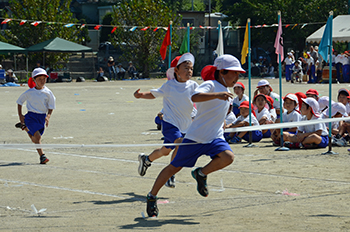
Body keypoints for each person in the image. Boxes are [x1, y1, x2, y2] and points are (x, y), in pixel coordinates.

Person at [145, 54, 244, 218]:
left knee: (228, 157)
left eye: (238, 74)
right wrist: (217, 95)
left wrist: (223, 122)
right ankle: (152, 196)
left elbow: (216, 112)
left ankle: (201, 173)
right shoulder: (210, 85)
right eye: (234, 73)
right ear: (222, 72)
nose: (237, 77)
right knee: (173, 168)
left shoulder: (226, 90)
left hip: (215, 137)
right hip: (195, 137)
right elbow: (195, 97)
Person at [134, 53, 198, 188]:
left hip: (185, 125)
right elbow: (154, 94)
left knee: (165, 151)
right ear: (176, 70)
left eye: (191, 68)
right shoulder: (169, 86)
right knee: (179, 144)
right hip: (170, 124)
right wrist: (140, 95)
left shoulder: (193, 85)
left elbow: (200, 98)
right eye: (186, 68)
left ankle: (146, 159)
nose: (189, 71)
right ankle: (171, 173)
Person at [15, 68, 56, 164]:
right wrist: (20, 115)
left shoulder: (48, 93)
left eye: (44, 79)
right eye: (39, 79)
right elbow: (19, 102)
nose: (42, 81)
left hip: (41, 118)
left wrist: (48, 116)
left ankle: (24, 128)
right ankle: (42, 156)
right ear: (34, 80)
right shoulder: (29, 92)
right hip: (31, 117)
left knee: (35, 139)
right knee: (37, 137)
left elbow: (51, 106)